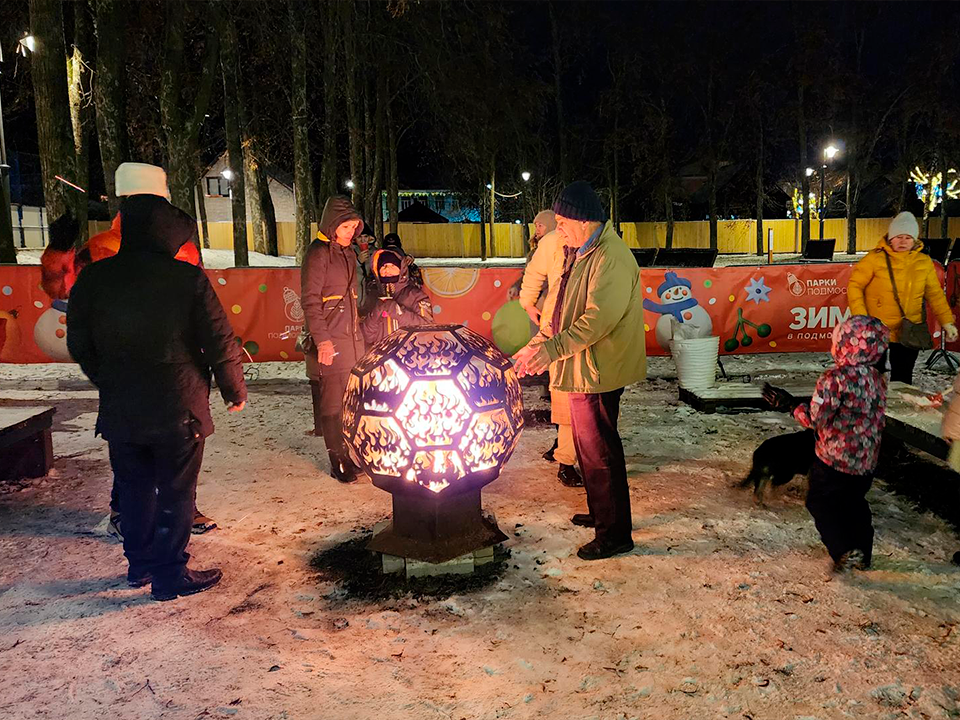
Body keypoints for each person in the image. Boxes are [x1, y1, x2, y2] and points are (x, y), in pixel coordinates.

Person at [67, 162, 246, 601]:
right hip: (178, 409)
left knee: (134, 489)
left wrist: (110, 379)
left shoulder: (95, 277)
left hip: (123, 408)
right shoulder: (186, 278)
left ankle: (141, 564)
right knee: (176, 491)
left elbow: (79, 342)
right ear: (169, 232)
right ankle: (168, 575)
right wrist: (233, 389)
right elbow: (219, 338)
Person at [513, 181, 646, 560]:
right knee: (589, 451)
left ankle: (614, 533)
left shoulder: (610, 258)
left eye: (562, 222)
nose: (558, 230)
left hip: (599, 370)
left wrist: (552, 349)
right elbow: (562, 311)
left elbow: (595, 322)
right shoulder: (583, 252)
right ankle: (602, 512)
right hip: (583, 366)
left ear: (584, 221)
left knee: (600, 452)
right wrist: (539, 343)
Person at [764, 315, 889, 573]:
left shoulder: (835, 378)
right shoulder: (877, 378)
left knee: (820, 502)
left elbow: (816, 419)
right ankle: (863, 553)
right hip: (866, 459)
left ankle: (843, 551)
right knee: (855, 503)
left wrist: (791, 405)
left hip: (834, 458)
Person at [848, 211, 957, 384]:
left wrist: (947, 322)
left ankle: (900, 402)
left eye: (908, 237)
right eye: (898, 237)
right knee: (872, 377)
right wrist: (861, 317)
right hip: (875, 328)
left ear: (915, 240)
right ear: (890, 238)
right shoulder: (874, 259)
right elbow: (855, 286)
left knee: (903, 378)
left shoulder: (923, 262)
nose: (903, 241)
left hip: (908, 329)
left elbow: (935, 295)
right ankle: (875, 401)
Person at [301, 195, 366, 483]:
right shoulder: (318, 254)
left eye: (354, 227)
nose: (351, 232)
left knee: (349, 401)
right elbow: (311, 301)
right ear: (332, 224)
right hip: (331, 340)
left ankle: (348, 454)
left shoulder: (347, 253)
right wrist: (323, 341)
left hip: (352, 340)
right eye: (346, 227)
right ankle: (336, 459)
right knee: (332, 403)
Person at [518, 209, 581, 487]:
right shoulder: (552, 242)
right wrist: (529, 303)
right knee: (566, 398)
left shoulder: (597, 247)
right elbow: (534, 274)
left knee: (585, 404)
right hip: (560, 327)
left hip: (584, 333)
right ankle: (566, 459)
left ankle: (581, 457)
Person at [360, 248, 433, 346]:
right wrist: (377, 312)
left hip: (410, 352)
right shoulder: (372, 297)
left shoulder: (415, 295)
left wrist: (397, 311)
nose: (387, 270)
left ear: (401, 268)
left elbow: (427, 328)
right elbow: (367, 337)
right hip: (382, 353)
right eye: (384, 266)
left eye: (392, 266)